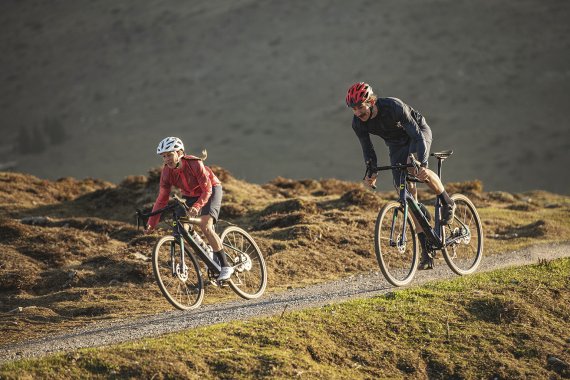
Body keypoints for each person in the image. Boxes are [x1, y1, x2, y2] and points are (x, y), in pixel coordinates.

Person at [346, 82, 455, 270]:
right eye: (353, 108)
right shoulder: (358, 123)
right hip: (395, 145)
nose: (357, 112)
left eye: (360, 107)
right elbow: (368, 149)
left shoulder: (394, 107)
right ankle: (427, 252)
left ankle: (447, 201)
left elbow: (417, 137)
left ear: (371, 101)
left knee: (415, 171)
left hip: (417, 134)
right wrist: (371, 171)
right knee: (404, 193)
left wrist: (420, 163)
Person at [144, 136, 234, 280]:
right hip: (189, 195)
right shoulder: (166, 172)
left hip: (211, 190)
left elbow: (207, 190)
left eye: (170, 155)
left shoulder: (195, 164)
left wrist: (198, 206)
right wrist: (151, 223)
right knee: (180, 228)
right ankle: (204, 252)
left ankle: (225, 266)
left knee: (206, 225)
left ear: (180, 153)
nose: (167, 159)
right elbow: (161, 199)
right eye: (164, 156)